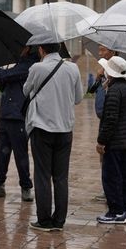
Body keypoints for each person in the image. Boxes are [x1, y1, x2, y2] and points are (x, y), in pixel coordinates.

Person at [23, 42, 84, 232]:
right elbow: (78, 98)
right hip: (65, 129)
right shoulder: (73, 68)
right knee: (61, 177)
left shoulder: (37, 68)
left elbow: (26, 91)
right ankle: (59, 220)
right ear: (60, 48)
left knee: (42, 175)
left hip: (42, 128)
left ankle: (44, 220)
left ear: (41, 49)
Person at [0, 47, 37, 202]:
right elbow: (3, 83)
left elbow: (3, 76)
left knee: (20, 153)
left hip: (19, 116)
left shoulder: (30, 64)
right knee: (1, 152)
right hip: (5, 113)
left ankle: (26, 186)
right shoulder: (17, 62)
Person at [94, 56, 126, 224]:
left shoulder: (115, 90)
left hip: (114, 142)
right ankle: (125, 209)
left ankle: (115, 211)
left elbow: (110, 119)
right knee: (125, 175)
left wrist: (101, 141)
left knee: (111, 176)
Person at [87, 45, 117, 202]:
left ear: (112, 52)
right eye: (98, 49)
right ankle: (107, 189)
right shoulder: (102, 70)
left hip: (111, 121)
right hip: (102, 119)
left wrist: (108, 78)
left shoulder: (119, 71)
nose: (100, 53)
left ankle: (112, 191)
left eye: (103, 50)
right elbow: (91, 91)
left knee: (110, 155)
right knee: (103, 157)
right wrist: (99, 78)